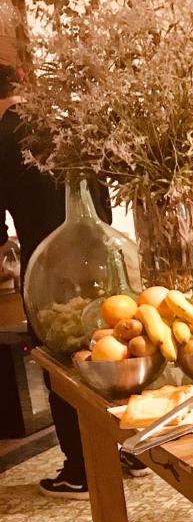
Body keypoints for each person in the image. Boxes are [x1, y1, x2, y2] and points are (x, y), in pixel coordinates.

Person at [0, 56, 116, 497]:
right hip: (104, 260)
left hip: (49, 270)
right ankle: (121, 450)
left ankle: (81, 470)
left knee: (63, 364)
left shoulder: (1, 138)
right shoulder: (66, 125)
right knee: (108, 353)